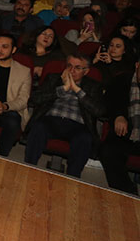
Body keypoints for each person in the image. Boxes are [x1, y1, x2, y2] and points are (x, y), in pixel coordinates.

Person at [24, 55, 105, 178]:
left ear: (86, 71)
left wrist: (77, 90)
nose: (72, 71)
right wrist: (63, 88)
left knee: (85, 138)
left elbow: (100, 111)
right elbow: (35, 99)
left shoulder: (94, 86)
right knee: (38, 127)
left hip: (78, 125)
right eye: (69, 66)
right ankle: (28, 168)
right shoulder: (53, 78)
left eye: (77, 68)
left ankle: (72, 178)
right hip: (51, 119)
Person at [100, 62, 140, 195]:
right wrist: (118, 115)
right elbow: (109, 100)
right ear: (137, 65)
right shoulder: (122, 80)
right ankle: (128, 194)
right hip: (126, 132)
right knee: (109, 151)